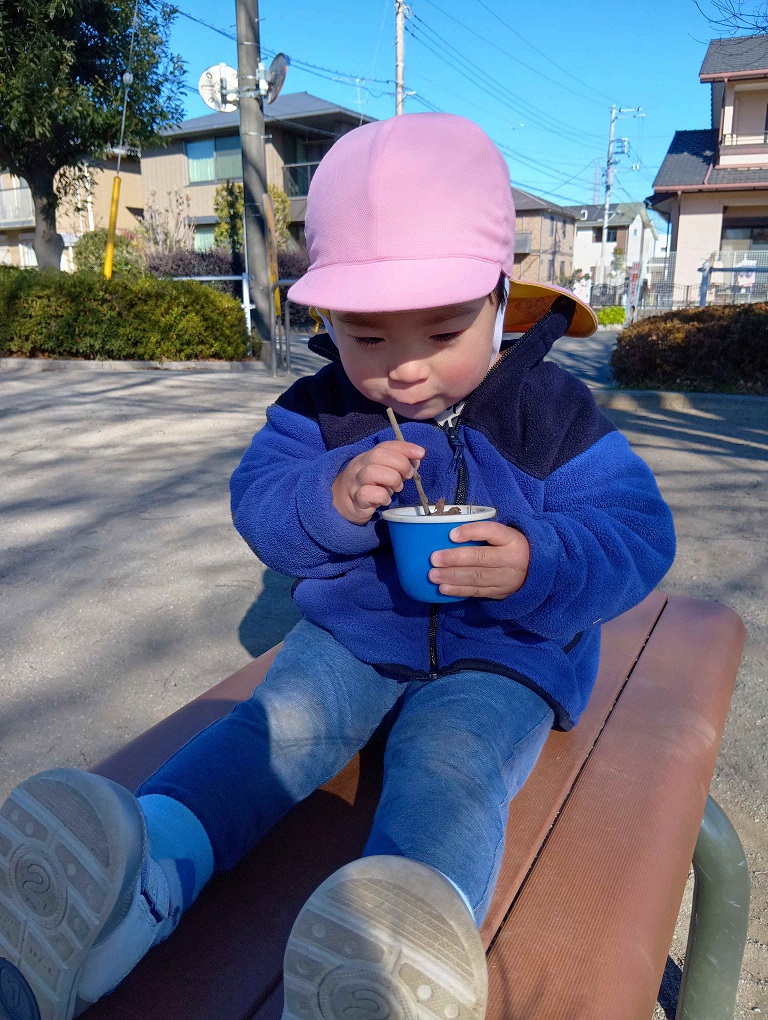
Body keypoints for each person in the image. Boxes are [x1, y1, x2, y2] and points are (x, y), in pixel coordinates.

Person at [0, 113, 676, 1020]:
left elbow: (638, 530)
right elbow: (260, 508)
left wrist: (539, 561)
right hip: (353, 637)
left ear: (498, 298)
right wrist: (329, 497)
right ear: (328, 322)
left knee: (452, 764)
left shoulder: (550, 412)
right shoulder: (318, 411)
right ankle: (134, 880)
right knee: (275, 729)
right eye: (368, 338)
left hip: (505, 652)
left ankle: (394, 959)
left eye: (442, 331)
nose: (405, 371)